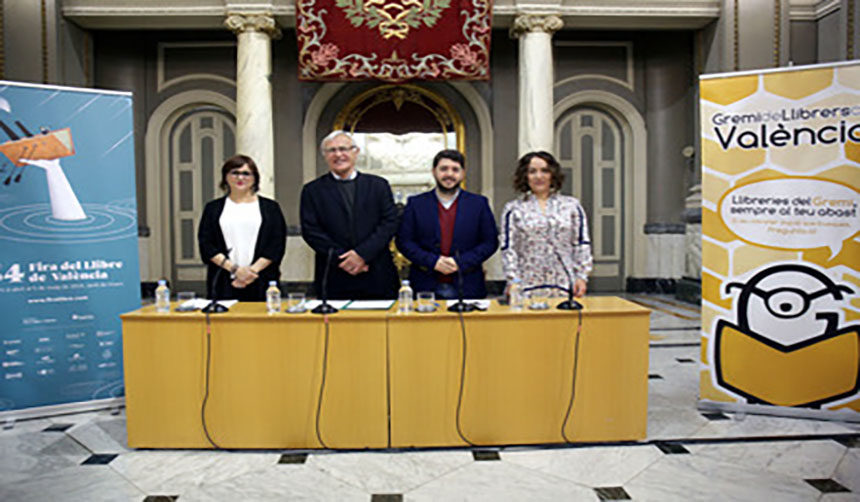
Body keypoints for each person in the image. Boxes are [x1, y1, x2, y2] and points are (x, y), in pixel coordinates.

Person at [300, 131, 399, 299]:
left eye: (343, 149)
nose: (338, 155)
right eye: (332, 150)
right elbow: (311, 230)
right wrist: (344, 259)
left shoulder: (378, 185)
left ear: (356, 152)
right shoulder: (312, 190)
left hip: (376, 272)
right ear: (325, 155)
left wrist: (362, 255)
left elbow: (389, 223)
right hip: (334, 274)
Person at [396, 149, 498, 299]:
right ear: (434, 172)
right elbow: (404, 242)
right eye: (443, 169)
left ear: (463, 173)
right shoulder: (416, 204)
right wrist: (433, 261)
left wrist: (460, 262)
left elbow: (490, 242)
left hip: (468, 285)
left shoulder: (479, 204)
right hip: (425, 285)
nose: (449, 174)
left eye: (455, 170)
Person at [500, 151, 592, 299]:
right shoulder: (513, 209)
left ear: (552, 174)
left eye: (544, 171)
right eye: (532, 171)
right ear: (525, 176)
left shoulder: (572, 206)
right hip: (526, 286)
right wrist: (512, 280)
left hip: (565, 285)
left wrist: (582, 276)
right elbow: (508, 248)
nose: (539, 176)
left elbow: (581, 244)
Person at [198, 155, 287, 301]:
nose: (240, 178)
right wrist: (235, 270)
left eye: (246, 173)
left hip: (261, 279)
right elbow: (207, 244)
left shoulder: (271, 208)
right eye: (235, 173)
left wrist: (250, 273)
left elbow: (276, 245)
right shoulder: (212, 208)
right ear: (225, 177)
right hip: (223, 279)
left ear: (255, 178)